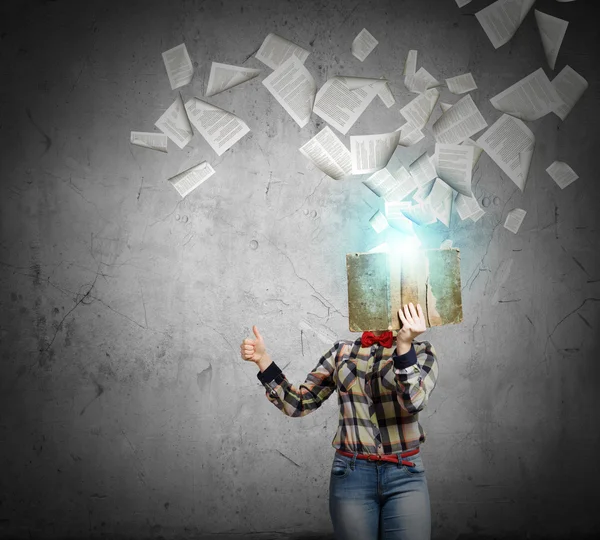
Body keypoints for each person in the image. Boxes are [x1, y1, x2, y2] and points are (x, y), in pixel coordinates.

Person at [240, 302, 439, 540]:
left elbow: (413, 402)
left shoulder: (422, 352)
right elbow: (298, 404)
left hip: (405, 474)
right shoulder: (341, 352)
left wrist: (404, 346)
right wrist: (264, 361)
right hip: (351, 475)